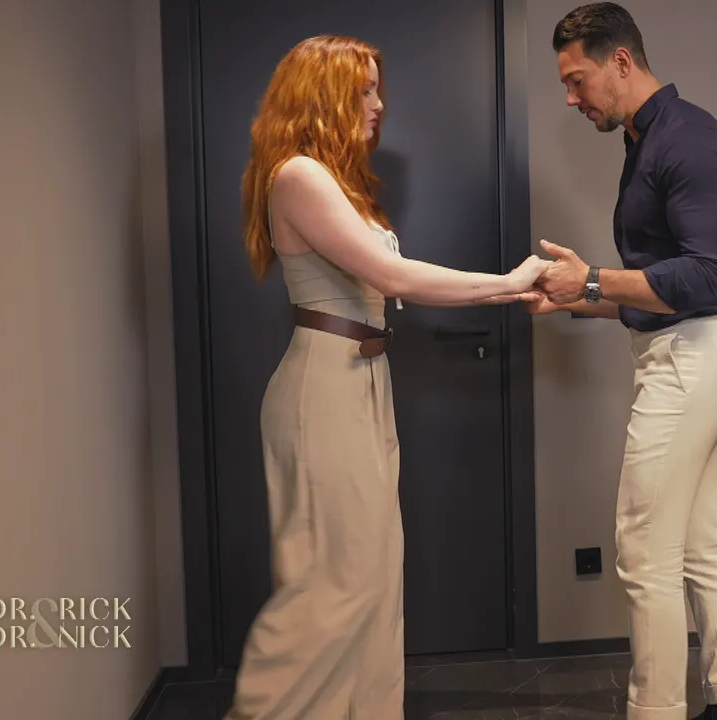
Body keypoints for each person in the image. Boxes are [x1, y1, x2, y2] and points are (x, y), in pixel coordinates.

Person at [225, 35, 547, 720]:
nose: (378, 104)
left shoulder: (329, 180)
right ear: (325, 96)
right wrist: (509, 283)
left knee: (372, 573)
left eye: (377, 88)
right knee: (332, 586)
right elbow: (393, 277)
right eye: (364, 90)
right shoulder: (299, 175)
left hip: (361, 380)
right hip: (324, 389)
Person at [526, 4, 717, 719]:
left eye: (577, 80)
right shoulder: (644, 141)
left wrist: (593, 278)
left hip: (695, 358)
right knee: (698, 542)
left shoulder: (688, 139)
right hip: (694, 351)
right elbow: (658, 288)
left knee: (643, 552)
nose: (571, 98)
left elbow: (710, 277)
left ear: (621, 62)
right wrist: (576, 297)